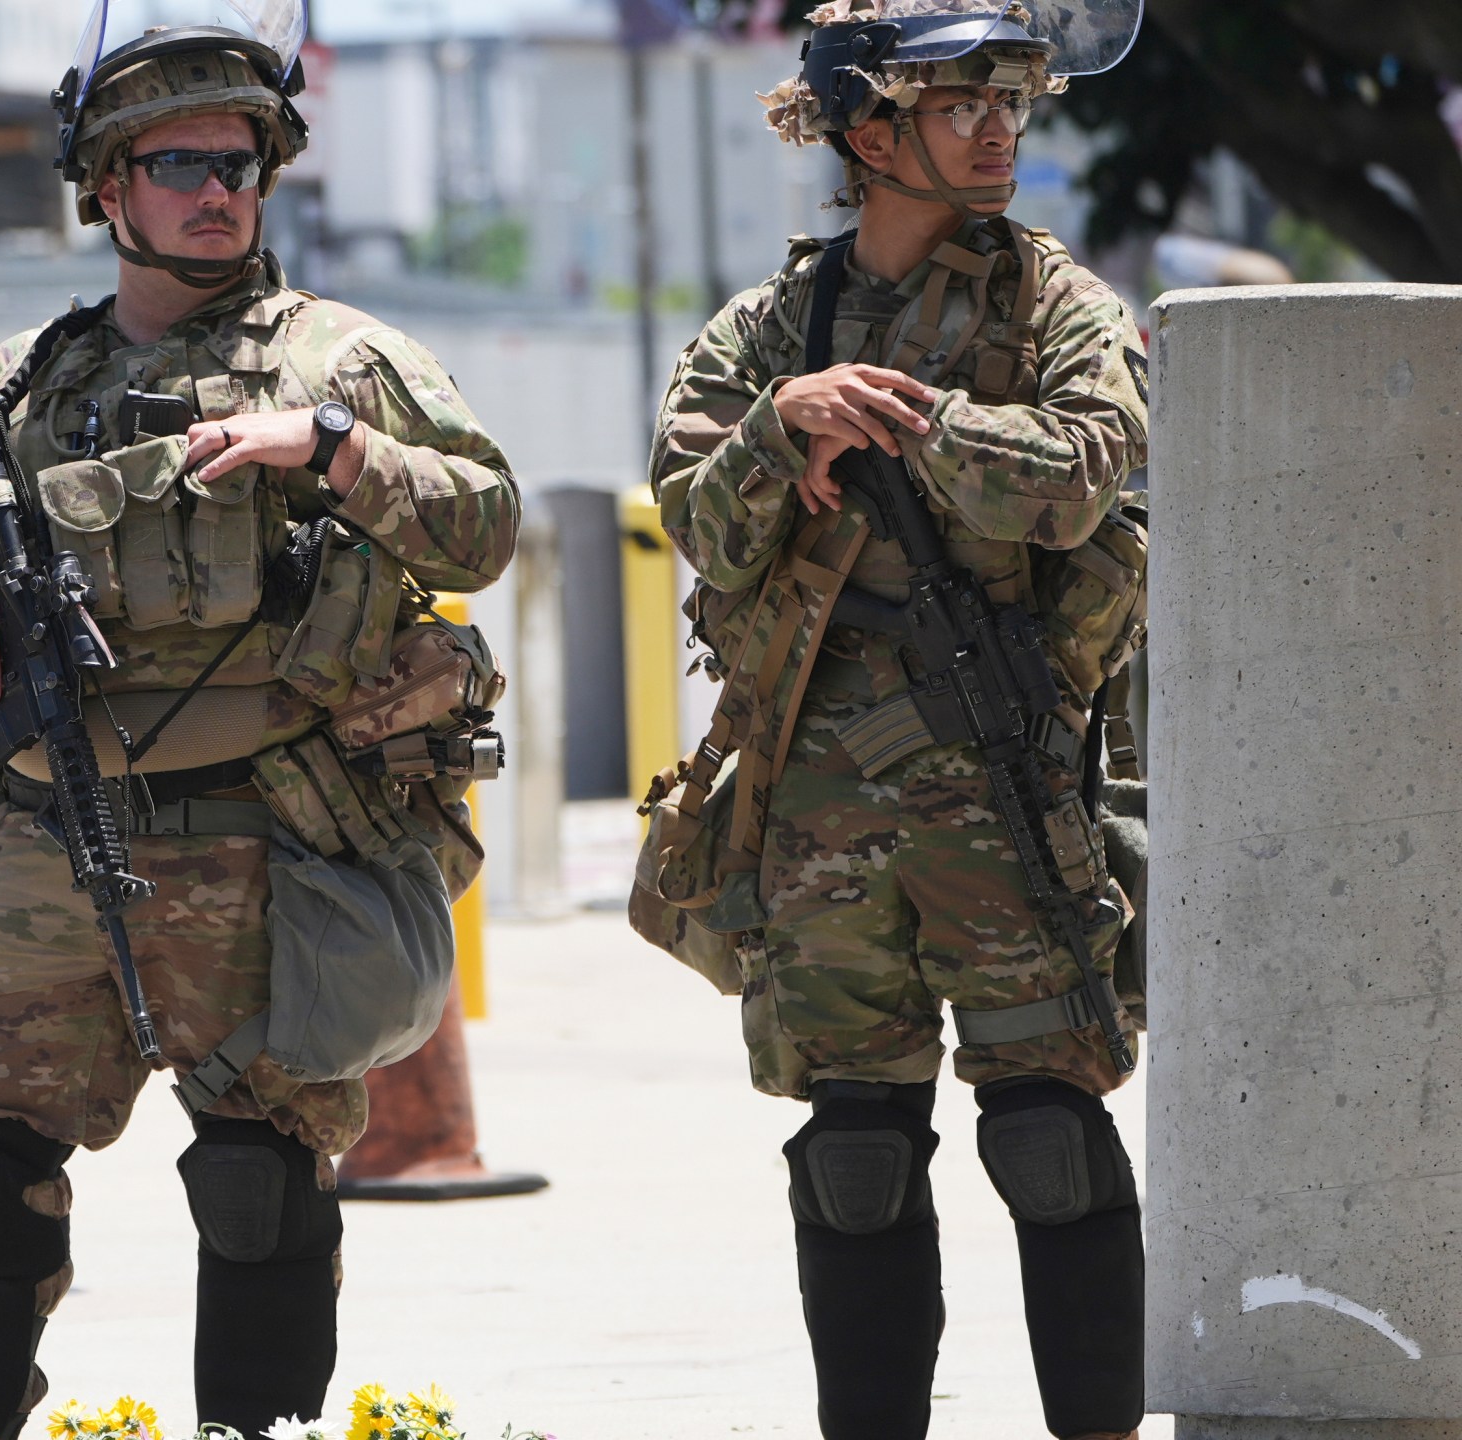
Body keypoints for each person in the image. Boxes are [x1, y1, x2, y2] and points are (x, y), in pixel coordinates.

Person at [0, 4, 518, 1432]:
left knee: (261, 1180)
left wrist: (329, 450)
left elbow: (484, 524)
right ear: (105, 187)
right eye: (181, 165)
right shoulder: (19, 385)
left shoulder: (340, 358)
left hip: (271, 831)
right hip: (50, 836)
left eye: (242, 163)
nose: (220, 192)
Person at [651, 3, 1151, 1437]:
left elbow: (1086, 474)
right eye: (961, 103)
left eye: (1013, 100)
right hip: (812, 805)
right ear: (872, 132)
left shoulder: (1056, 304)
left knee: (1051, 1135)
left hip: (999, 787)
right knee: (854, 1153)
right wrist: (782, 426)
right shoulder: (768, 330)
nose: (999, 129)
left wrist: (924, 424)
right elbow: (694, 515)